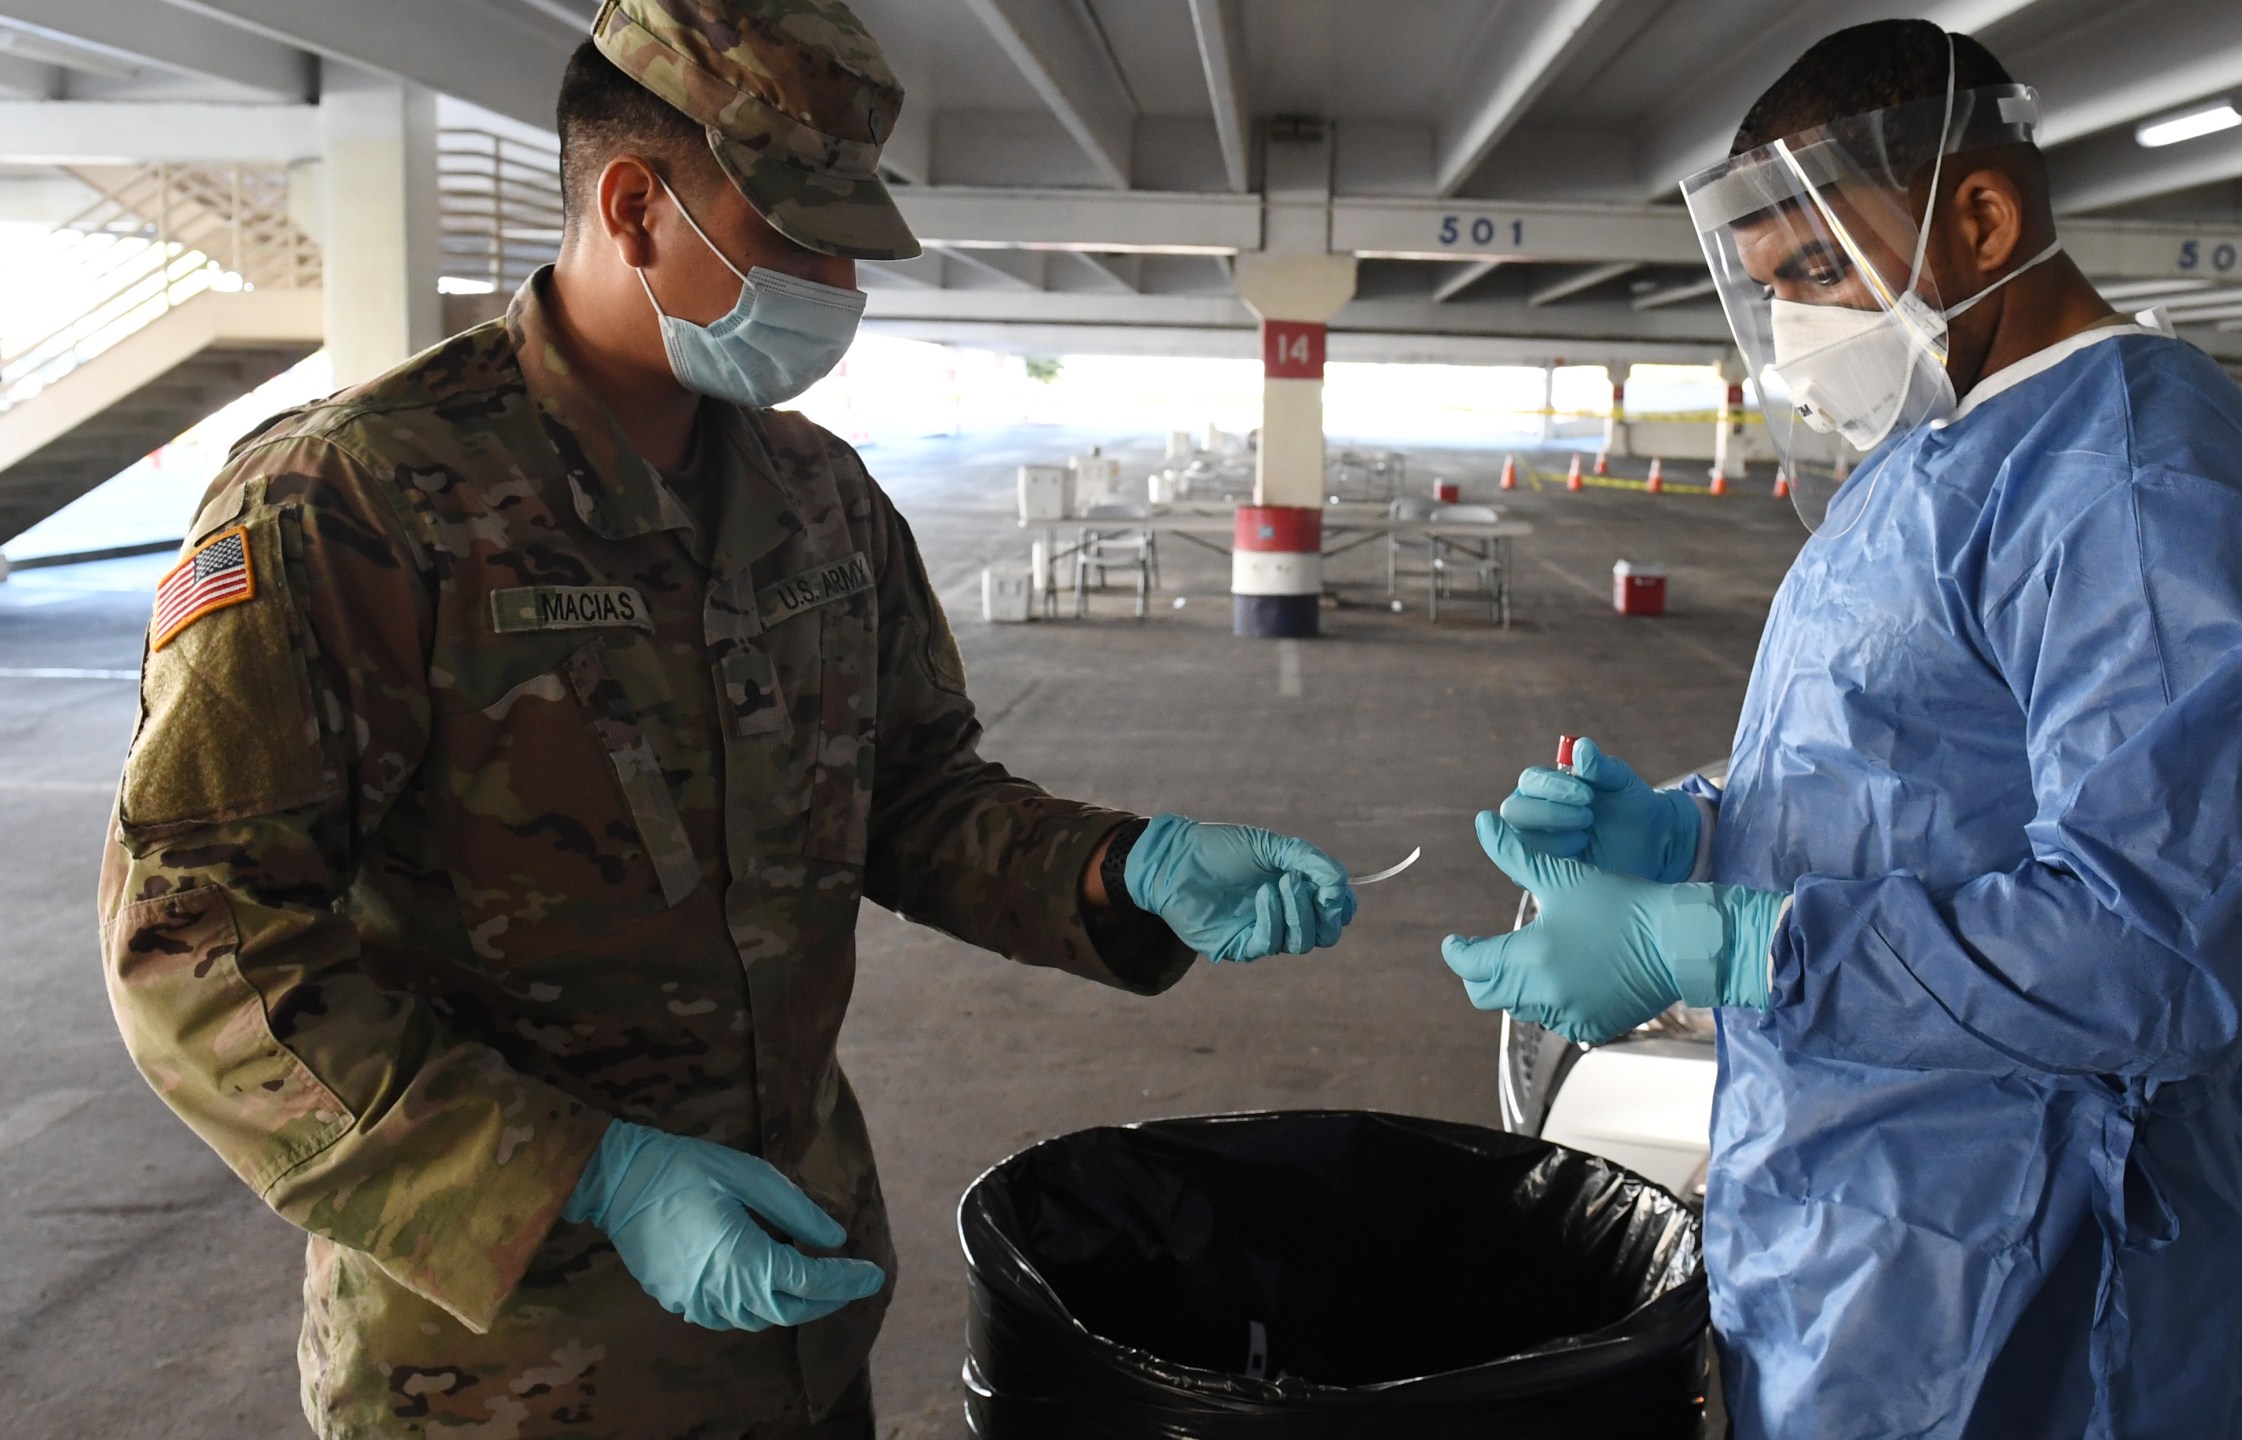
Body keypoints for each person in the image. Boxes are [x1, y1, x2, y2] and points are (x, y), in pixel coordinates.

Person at [97, 2, 1356, 1434]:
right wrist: (585, 1172)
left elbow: (916, 796)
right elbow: (199, 945)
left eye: (849, 247)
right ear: (634, 206)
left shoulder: (819, 504)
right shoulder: (359, 506)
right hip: (502, 1374)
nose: (837, 285)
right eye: (797, 237)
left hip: (797, 1323)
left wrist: (1120, 869)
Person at [1443, 20, 2242, 1439]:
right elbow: (1916, 771)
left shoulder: (2146, 492)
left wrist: (1732, 942)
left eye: (1818, 266)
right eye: (1767, 285)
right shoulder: (1946, 451)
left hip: (2053, 1294)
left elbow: (2158, 947)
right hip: (1880, 1251)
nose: (1798, 322)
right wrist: (1696, 831)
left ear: (1983, 214)